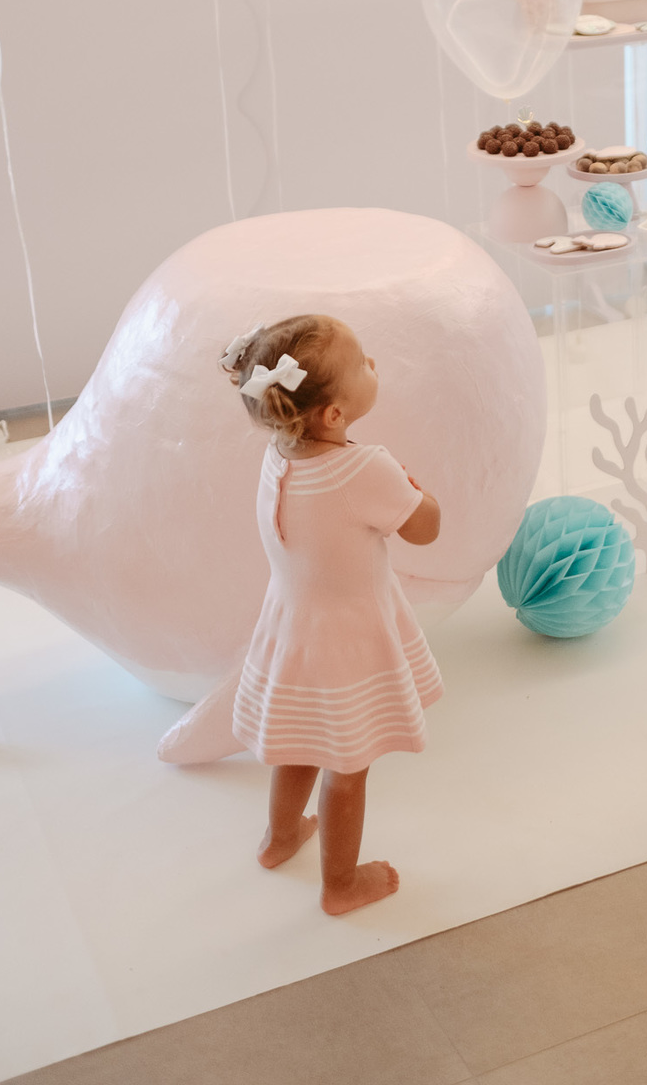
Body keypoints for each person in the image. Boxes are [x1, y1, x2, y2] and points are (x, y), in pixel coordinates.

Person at [221, 314, 442, 915]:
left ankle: (280, 837)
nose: (373, 364)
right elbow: (426, 529)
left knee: (298, 742)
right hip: (348, 642)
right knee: (348, 767)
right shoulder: (364, 468)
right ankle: (340, 884)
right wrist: (416, 494)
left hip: (293, 629)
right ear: (335, 415)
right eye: (364, 361)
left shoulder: (277, 455)